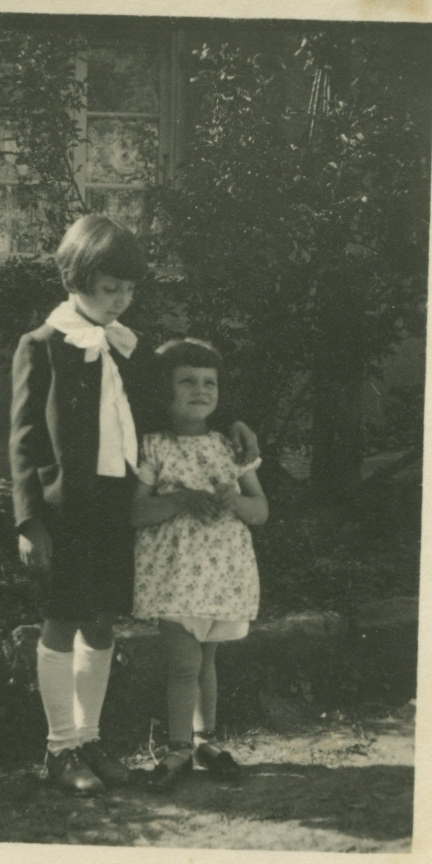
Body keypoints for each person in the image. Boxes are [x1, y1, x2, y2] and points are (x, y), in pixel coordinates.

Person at [10, 215, 258, 796]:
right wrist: (28, 521)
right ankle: (59, 747)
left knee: (101, 624)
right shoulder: (43, 346)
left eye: (128, 289)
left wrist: (234, 418)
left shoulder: (126, 347)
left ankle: (90, 740)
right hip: (65, 510)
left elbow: (181, 393)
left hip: (115, 508)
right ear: (76, 279)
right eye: (109, 288)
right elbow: (23, 442)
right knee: (62, 619)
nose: (120, 300)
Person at [131, 339, 268, 791]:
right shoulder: (154, 447)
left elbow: (261, 510)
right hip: (172, 575)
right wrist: (184, 499)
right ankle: (177, 749)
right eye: (186, 381)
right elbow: (136, 513)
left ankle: (205, 740)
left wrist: (236, 499)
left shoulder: (230, 448)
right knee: (185, 663)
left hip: (223, 575)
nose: (200, 390)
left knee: (207, 661)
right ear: (164, 391)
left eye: (209, 382)